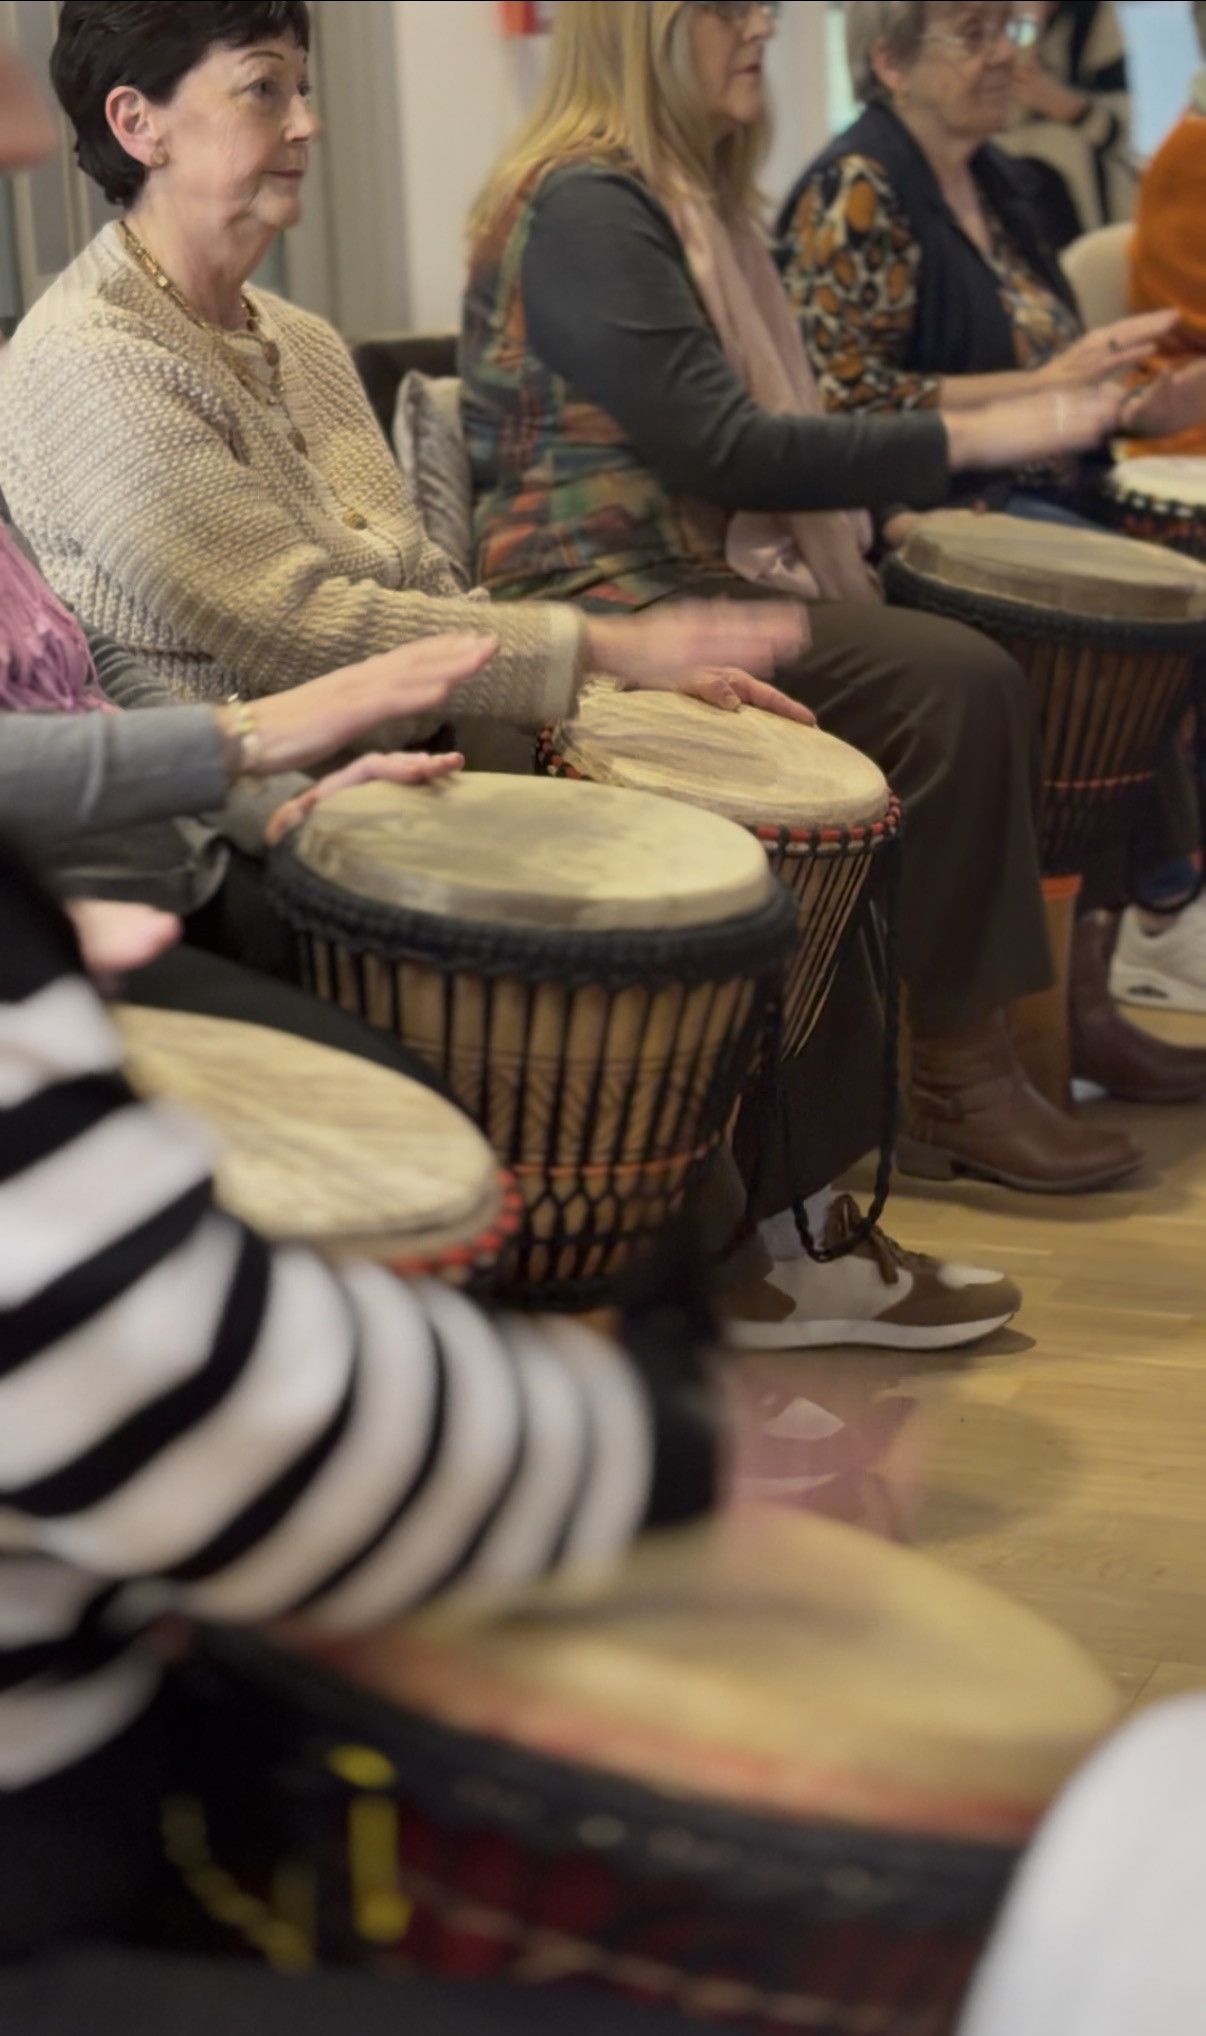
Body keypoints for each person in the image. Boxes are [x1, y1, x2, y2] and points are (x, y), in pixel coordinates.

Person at [460, 0, 1152, 1276]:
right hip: (607, 600)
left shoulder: (681, 202)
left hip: (689, 575)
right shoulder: (585, 206)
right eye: (728, 8)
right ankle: (948, 1083)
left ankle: (1015, 1037)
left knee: (973, 655)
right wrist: (978, 434)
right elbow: (723, 447)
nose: (762, 27)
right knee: (955, 681)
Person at [0, 0, 811, 750]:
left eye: (303, 88)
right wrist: (602, 646)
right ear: (138, 123)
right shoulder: (92, 354)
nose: (307, 123)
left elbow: (422, 581)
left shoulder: (301, 340)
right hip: (246, 808)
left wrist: (605, 682)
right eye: (263, 89)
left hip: (416, 746)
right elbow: (293, 628)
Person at [778, 0, 1206, 1064]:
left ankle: (1101, 973)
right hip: (933, 509)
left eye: (1006, 30)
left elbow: (1064, 384)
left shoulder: (1006, 183)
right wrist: (1048, 388)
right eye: (971, 33)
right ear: (889, 60)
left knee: (1159, 577)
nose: (1004, 55)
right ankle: (1154, 914)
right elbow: (839, 401)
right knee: (1138, 600)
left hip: (1046, 486)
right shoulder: (859, 186)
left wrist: (1130, 405)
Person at [996, 0, 1135, 250]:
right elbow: (1005, 115)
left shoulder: (1094, 13)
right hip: (1009, 183)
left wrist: (1066, 105)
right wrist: (1028, 24)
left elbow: (1118, 131)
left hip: (1088, 193)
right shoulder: (981, 14)